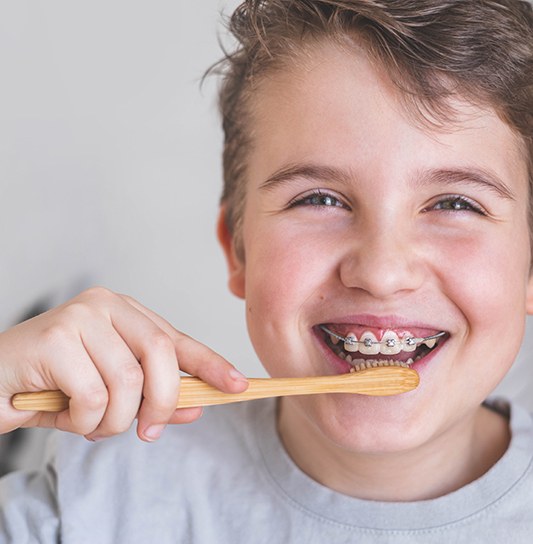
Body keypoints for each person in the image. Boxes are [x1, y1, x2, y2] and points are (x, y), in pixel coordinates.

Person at [0, 0, 532, 541]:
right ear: (239, 249)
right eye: (320, 199)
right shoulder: (105, 495)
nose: (382, 271)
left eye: (456, 205)